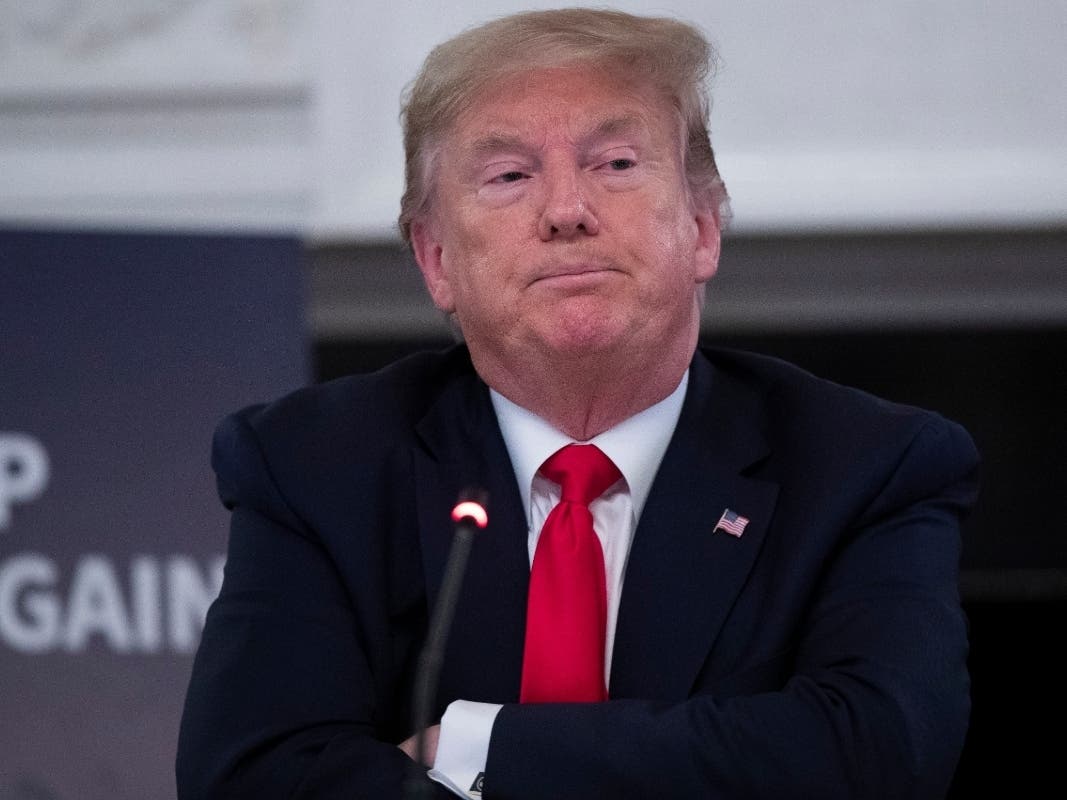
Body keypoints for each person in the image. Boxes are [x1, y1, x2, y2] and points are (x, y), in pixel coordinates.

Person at [176, 8, 979, 799]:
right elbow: (250, 778)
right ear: (436, 259)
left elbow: (879, 754)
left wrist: (476, 745)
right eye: (509, 176)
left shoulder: (865, 466)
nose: (565, 211)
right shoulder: (314, 464)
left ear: (702, 227)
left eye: (616, 164)